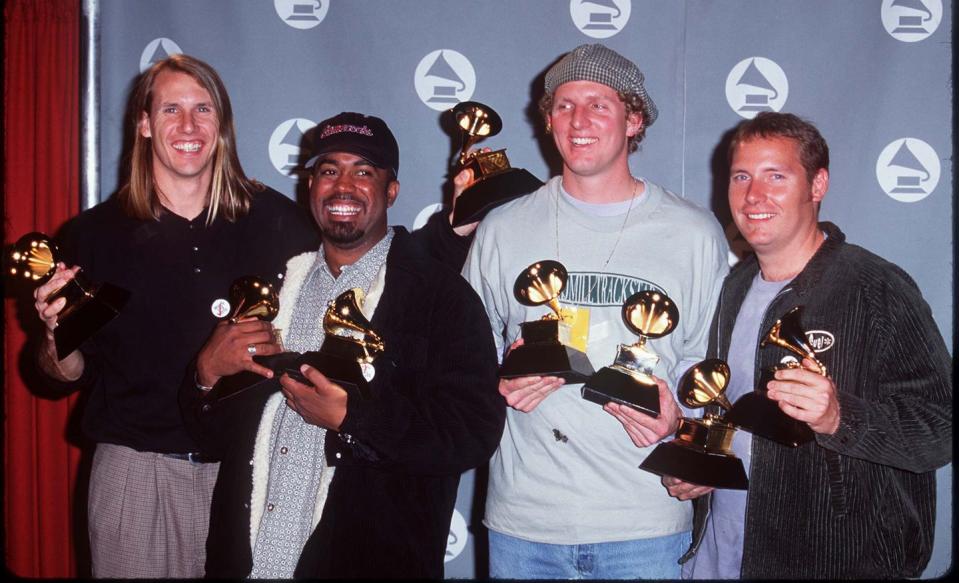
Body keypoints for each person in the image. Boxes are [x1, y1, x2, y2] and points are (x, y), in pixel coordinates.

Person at [30, 54, 320, 577]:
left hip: (251, 472)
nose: (188, 126)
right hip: (136, 473)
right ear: (144, 124)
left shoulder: (280, 222)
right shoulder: (92, 236)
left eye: (202, 109)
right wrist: (56, 337)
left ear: (222, 125)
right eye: (170, 109)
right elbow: (61, 376)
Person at [181, 112, 504, 579]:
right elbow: (212, 438)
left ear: (391, 191)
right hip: (253, 563)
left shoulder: (441, 298)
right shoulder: (272, 286)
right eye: (329, 170)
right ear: (309, 186)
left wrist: (355, 421)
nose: (343, 186)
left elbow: (472, 435)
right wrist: (205, 376)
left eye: (364, 171)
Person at [462, 43, 730, 579]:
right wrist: (498, 379)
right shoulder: (502, 228)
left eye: (598, 104)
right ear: (547, 120)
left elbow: (717, 374)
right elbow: (462, 358)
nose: (578, 120)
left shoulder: (693, 233)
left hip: (644, 523)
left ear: (634, 120)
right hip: (524, 523)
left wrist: (686, 433)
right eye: (563, 105)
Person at [667, 112, 953, 579]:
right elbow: (728, 415)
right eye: (742, 176)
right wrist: (700, 463)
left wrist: (841, 418)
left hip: (836, 563)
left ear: (817, 185)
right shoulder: (733, 287)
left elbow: (941, 428)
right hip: (721, 560)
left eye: (775, 176)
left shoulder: (875, 288)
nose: (754, 195)